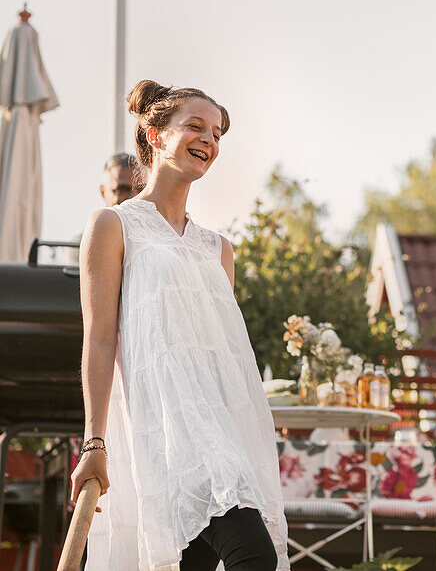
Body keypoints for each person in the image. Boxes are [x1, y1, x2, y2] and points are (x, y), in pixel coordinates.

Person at [71, 80, 288, 570]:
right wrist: (95, 443)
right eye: (195, 126)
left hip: (223, 430)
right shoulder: (114, 225)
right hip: (166, 433)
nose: (209, 140)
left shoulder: (218, 249)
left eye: (216, 133)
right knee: (253, 555)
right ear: (154, 134)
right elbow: (101, 339)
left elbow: (223, 354)